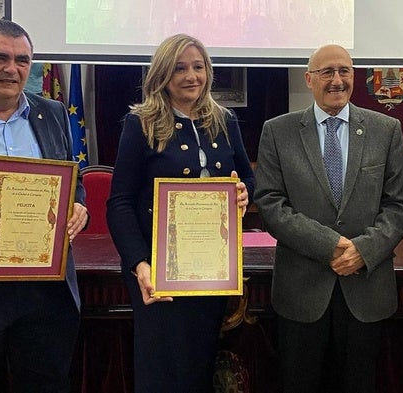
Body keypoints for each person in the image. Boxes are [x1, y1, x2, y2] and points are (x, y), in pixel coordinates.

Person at [253, 44, 403, 393]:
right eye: (327, 72)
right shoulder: (278, 131)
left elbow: (399, 206)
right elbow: (270, 204)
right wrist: (331, 245)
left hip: (365, 289)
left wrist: (363, 250)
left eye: (345, 71)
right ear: (309, 79)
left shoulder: (386, 130)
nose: (337, 80)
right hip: (301, 292)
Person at [106, 34, 254, 393]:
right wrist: (140, 265)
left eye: (198, 67)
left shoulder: (224, 120)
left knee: (200, 368)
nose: (191, 76)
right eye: (180, 68)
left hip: (211, 271)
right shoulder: (140, 123)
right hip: (159, 274)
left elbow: (247, 176)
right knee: (163, 372)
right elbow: (120, 202)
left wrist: (244, 193)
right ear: (163, 74)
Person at [0, 20, 88, 393]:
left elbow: (73, 180)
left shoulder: (51, 113)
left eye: (23, 60)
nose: (12, 68)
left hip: (45, 291)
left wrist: (78, 206)